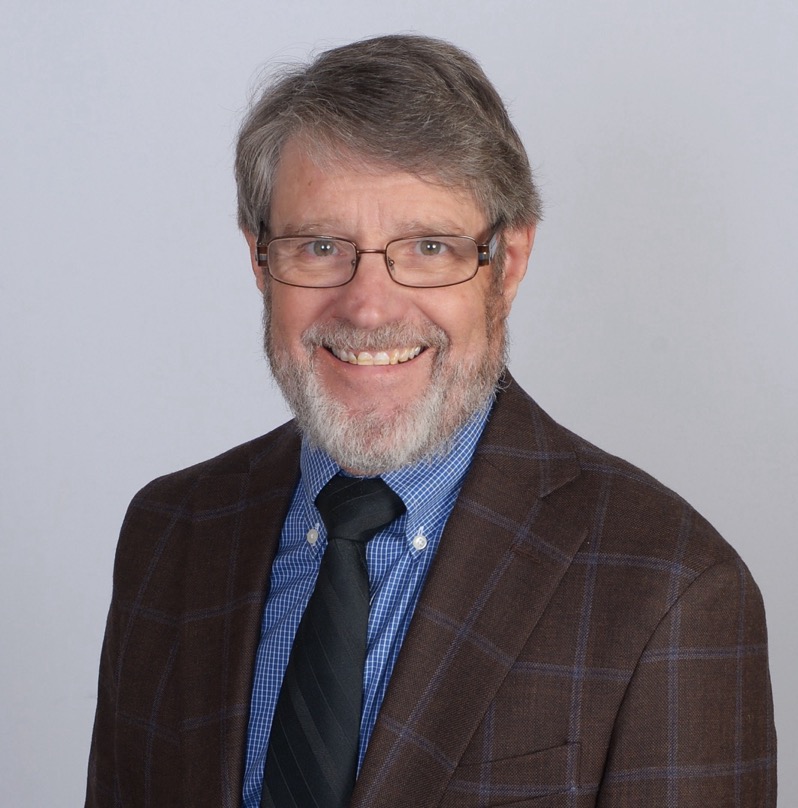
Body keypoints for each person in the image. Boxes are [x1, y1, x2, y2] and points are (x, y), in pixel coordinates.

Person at [86, 34, 776, 808]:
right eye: (320, 246)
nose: (370, 306)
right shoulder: (171, 535)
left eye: (428, 247)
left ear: (507, 264)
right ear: (258, 260)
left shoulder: (671, 592)